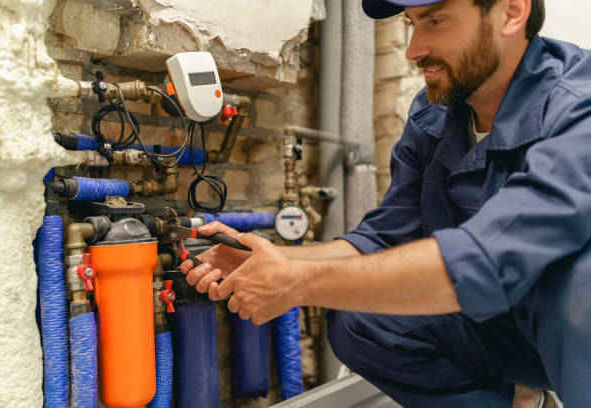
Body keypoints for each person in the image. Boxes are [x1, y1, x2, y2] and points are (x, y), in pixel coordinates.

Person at [181, 0, 591, 406]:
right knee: (360, 320)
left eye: (436, 21)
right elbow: (384, 236)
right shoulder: (435, 114)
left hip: (569, 330)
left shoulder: (578, 105)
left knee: (579, 285)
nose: (414, 48)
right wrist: (281, 262)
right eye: (412, 23)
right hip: (505, 328)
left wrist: (295, 284)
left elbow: (490, 262)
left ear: (512, 12)